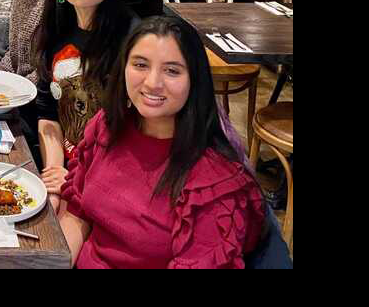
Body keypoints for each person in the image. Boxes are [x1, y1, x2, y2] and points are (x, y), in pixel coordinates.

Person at [57, 15, 266, 268]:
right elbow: (76, 215)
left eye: (172, 70)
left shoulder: (211, 185)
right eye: (140, 65)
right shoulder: (107, 126)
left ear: (194, 80)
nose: (153, 83)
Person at [28, 0, 134, 214]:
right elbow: (48, 114)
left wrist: (78, 178)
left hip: (116, 180)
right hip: (66, 167)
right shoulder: (56, 35)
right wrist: (54, 170)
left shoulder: (136, 41)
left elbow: (140, 136)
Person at [0, 0, 57, 164]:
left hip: (41, 113)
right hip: (16, 96)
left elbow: (46, 72)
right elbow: (14, 51)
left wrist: (7, 93)